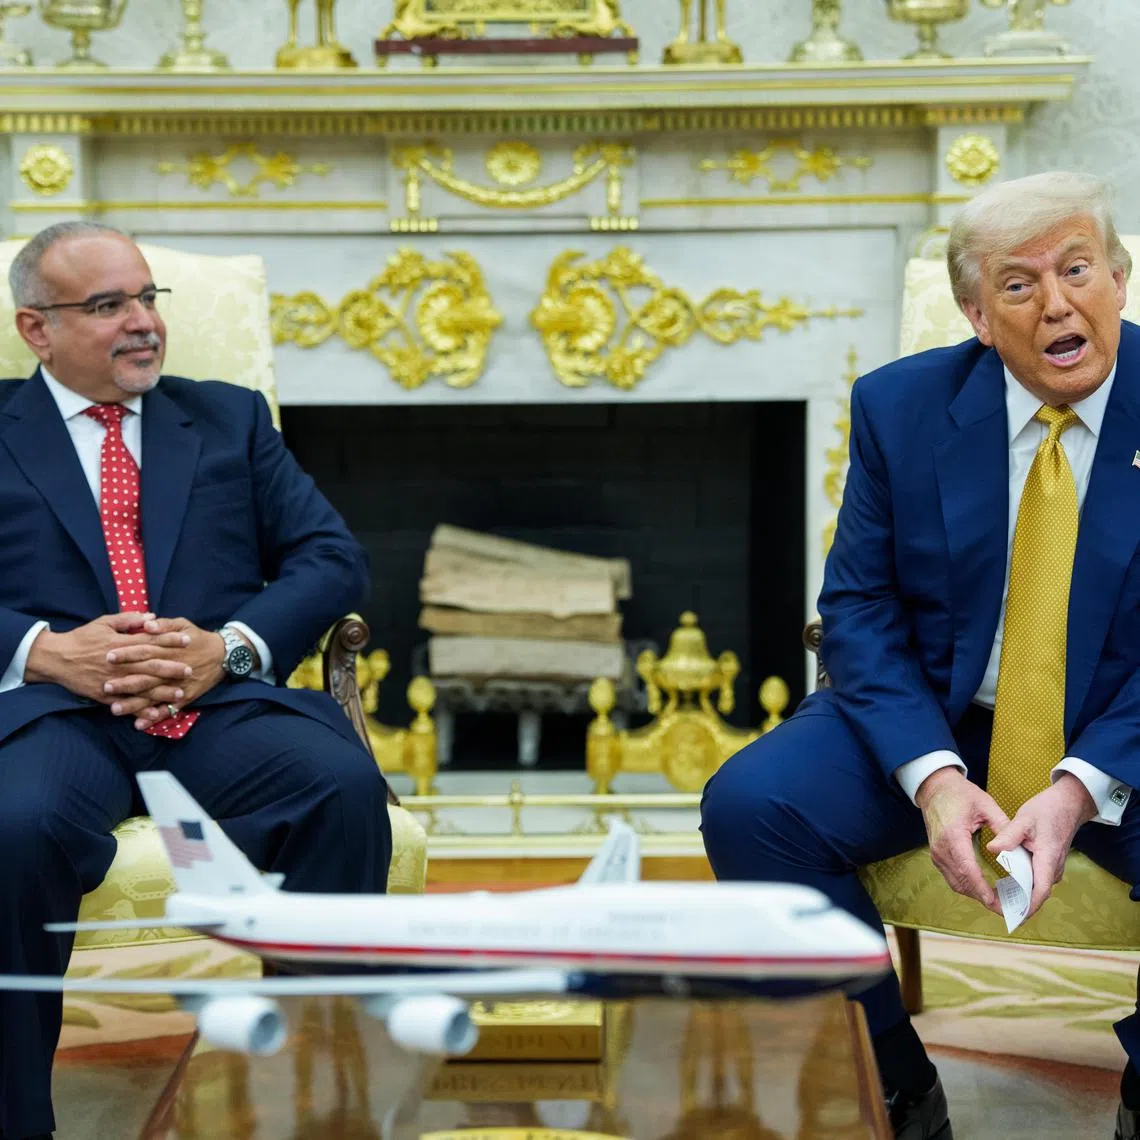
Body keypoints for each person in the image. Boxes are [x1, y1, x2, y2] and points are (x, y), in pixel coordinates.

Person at [701, 170, 1140, 1140]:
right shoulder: (903, 408)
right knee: (752, 805)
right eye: (1020, 286)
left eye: (1078, 269)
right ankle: (892, 1083)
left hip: (1123, 731)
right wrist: (934, 777)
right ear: (979, 316)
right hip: (949, 717)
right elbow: (857, 606)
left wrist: (1078, 786)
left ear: (1118, 276)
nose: (1059, 303)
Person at [0, 221, 391, 1140]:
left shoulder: (228, 417)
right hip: (58, 713)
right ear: (36, 329)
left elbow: (330, 558)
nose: (141, 323)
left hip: (217, 703)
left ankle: (316, 1096)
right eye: (107, 306)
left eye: (147, 298)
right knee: (12, 829)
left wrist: (231, 645)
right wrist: (43, 651)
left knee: (338, 790)